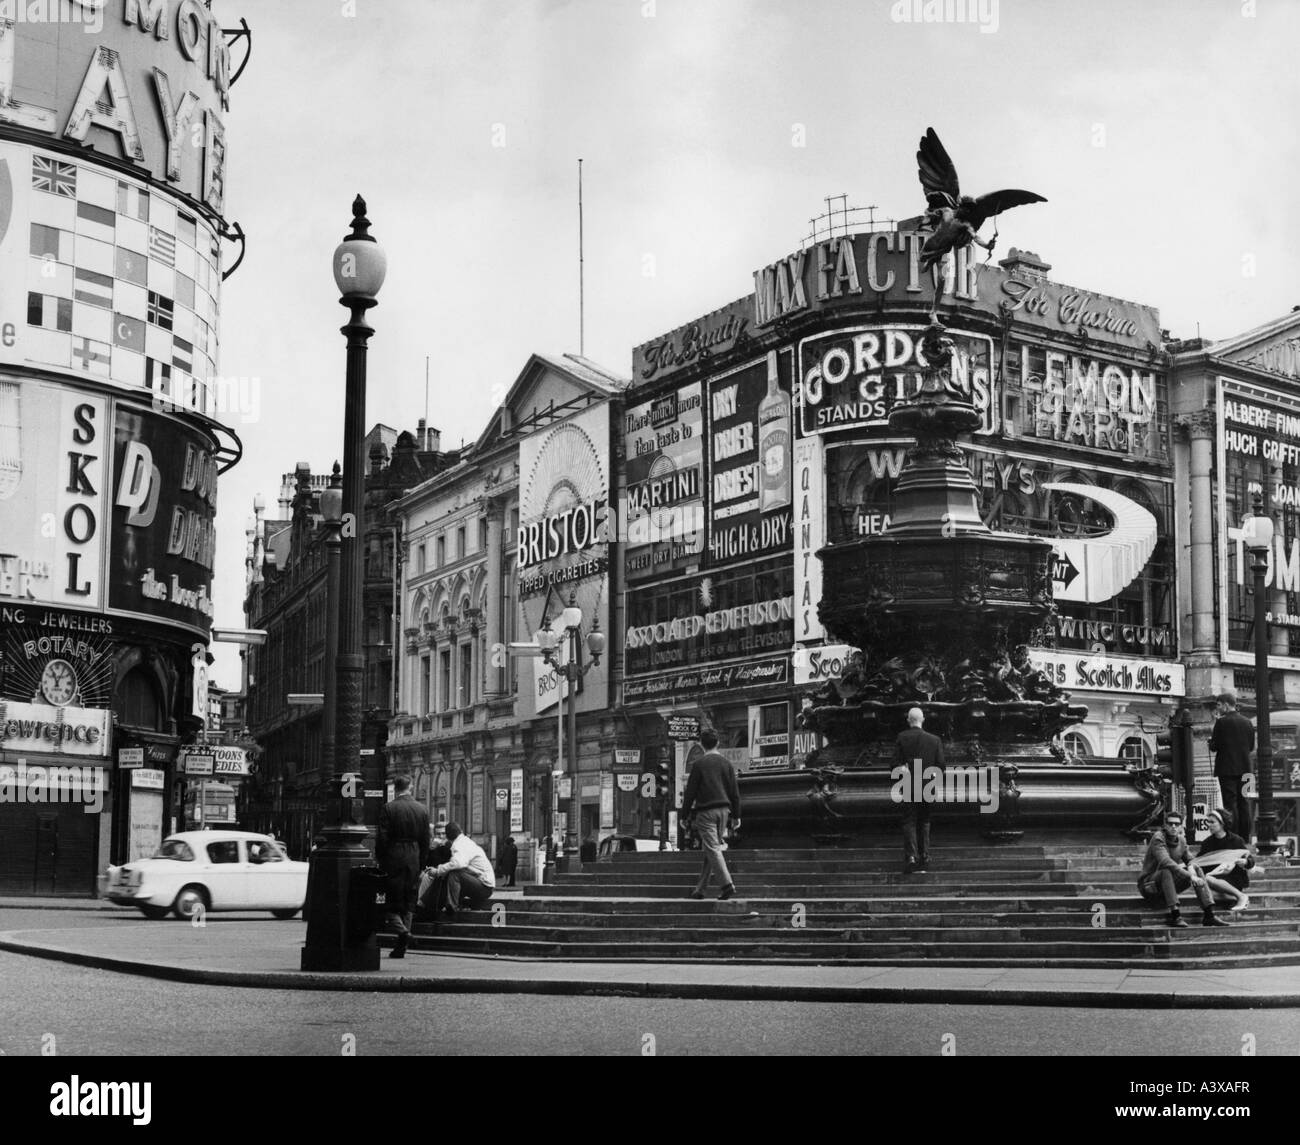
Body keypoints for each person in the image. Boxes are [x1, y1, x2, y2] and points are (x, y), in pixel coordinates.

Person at [1137, 810, 1229, 928]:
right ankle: (1176, 916)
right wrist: (1191, 876)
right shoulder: (1158, 838)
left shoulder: (1181, 840)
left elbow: (1190, 859)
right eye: (1170, 824)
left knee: (1196, 868)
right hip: (1149, 886)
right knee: (1166, 871)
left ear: (1181, 826)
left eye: (1177, 824)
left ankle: (1209, 914)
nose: (1173, 827)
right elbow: (1166, 861)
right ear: (1165, 825)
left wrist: (1191, 869)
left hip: (1167, 886)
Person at [680, 728, 741, 900]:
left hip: (705, 811)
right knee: (711, 847)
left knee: (712, 847)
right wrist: (736, 815)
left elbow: (690, 792)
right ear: (718, 743)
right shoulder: (726, 763)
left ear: (700, 744)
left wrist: (684, 816)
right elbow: (734, 792)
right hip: (724, 811)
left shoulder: (699, 765)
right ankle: (700, 890)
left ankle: (727, 885)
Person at [376, 775, 429, 958]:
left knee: (390, 901)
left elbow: (382, 839)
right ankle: (401, 947)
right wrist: (422, 864)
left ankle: (403, 932)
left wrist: (381, 861)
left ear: (396, 788)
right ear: (411, 787)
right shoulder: (422, 809)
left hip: (394, 856)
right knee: (409, 900)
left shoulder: (389, 808)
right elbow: (425, 841)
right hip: (413, 857)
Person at [896, 706, 942, 874]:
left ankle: (911, 858)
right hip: (928, 785)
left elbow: (895, 764)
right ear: (923, 720)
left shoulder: (902, 737)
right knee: (925, 821)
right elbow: (941, 765)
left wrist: (903, 768)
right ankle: (925, 856)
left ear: (909, 720)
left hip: (908, 784)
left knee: (909, 821)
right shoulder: (935, 740)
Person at [1209, 693, 1255, 840]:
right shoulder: (1248, 722)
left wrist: (1211, 741)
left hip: (1227, 769)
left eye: (1219, 705)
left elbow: (1215, 746)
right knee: (1244, 803)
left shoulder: (1221, 723)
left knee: (1230, 803)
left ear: (1226, 705)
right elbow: (1251, 746)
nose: (1218, 708)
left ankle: (1234, 836)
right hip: (1246, 770)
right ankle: (1246, 837)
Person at [428, 822, 495, 915]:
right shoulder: (464, 841)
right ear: (460, 831)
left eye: (443, 834)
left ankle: (451, 910)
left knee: (454, 874)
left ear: (448, 836)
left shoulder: (459, 845)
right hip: (483, 884)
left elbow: (458, 863)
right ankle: (448, 905)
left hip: (484, 887)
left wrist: (438, 870)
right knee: (452, 872)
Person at [1196, 808, 1254, 912]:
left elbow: (1250, 861)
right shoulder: (1207, 843)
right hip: (1216, 880)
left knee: (1208, 879)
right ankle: (1231, 898)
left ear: (1222, 823)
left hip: (1234, 879)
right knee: (1206, 882)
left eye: (1212, 822)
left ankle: (1241, 896)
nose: (1209, 825)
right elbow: (1200, 862)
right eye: (1208, 822)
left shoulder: (1236, 840)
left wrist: (1245, 862)